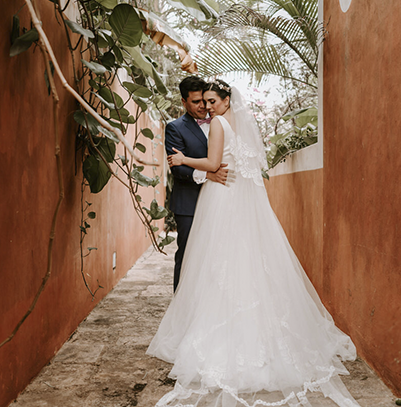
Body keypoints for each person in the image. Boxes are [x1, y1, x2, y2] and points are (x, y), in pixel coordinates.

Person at [148, 80, 361, 407]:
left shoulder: (218, 123)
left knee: (215, 262)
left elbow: (214, 162)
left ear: (225, 99)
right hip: (237, 199)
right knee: (238, 262)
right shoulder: (235, 124)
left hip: (222, 200)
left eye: (212, 100)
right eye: (202, 101)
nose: (207, 106)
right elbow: (240, 164)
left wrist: (184, 161)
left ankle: (210, 331)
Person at [165, 76, 229, 292]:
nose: (203, 107)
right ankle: (180, 307)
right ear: (184, 102)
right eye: (195, 102)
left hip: (220, 200)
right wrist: (207, 175)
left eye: (205, 100)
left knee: (217, 256)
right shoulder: (175, 128)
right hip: (189, 204)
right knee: (188, 256)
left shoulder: (222, 121)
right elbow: (177, 167)